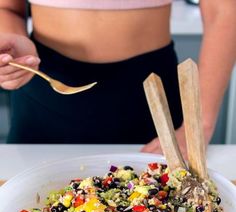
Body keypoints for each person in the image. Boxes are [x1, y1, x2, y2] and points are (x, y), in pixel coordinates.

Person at [0, 0, 235, 154]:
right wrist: (13, 43)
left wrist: (199, 125)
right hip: (44, 91)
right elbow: (7, 7)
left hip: (150, 99)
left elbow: (223, 11)